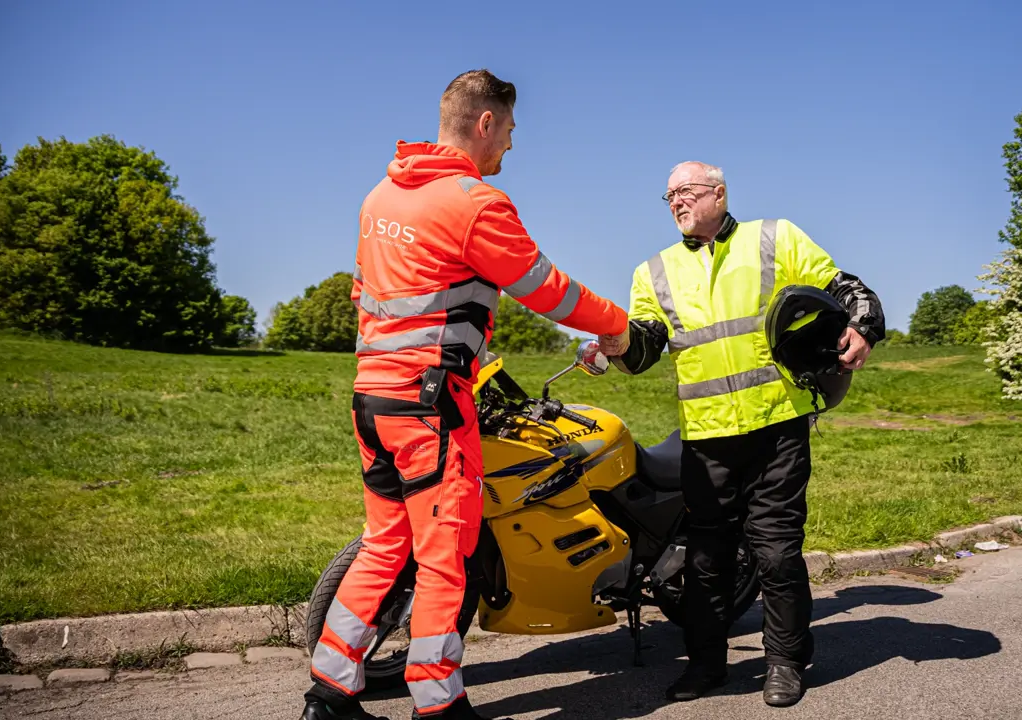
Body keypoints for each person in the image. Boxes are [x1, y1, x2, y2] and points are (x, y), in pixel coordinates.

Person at [301, 69, 630, 720]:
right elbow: (547, 288)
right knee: (444, 557)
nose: (509, 144)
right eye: (508, 130)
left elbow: (363, 293)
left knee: (385, 546)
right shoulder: (475, 203)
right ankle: (439, 706)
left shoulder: (380, 197)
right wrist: (617, 327)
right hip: (431, 404)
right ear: (484, 122)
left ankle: (329, 696)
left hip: (373, 398)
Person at [603, 161, 884, 708]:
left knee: (776, 553)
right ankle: (706, 666)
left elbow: (843, 287)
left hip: (776, 426)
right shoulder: (652, 271)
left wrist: (864, 324)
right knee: (707, 560)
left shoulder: (775, 238)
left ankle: (785, 663)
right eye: (668, 196)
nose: (676, 202)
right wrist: (618, 345)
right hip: (704, 438)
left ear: (719, 193)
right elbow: (643, 349)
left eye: (685, 191)